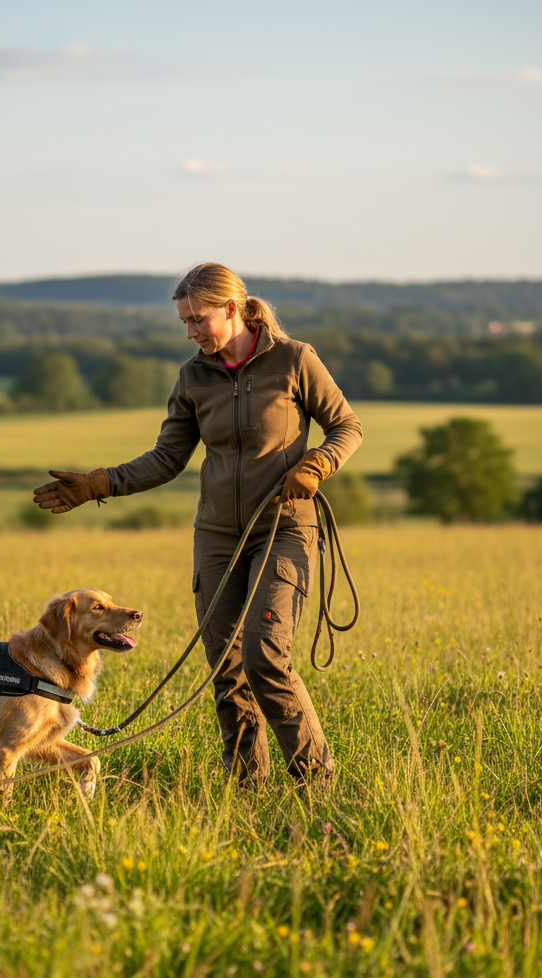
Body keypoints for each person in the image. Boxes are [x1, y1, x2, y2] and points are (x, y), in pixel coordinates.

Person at [32, 263, 362, 787]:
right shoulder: (193, 377)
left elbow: (347, 426)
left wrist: (318, 464)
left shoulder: (295, 360)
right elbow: (166, 459)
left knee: (265, 659)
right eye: (184, 322)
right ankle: (247, 789)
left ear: (233, 309)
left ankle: (316, 785)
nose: (190, 332)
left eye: (197, 319)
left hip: (284, 528)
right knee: (226, 670)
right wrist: (100, 484)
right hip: (215, 537)